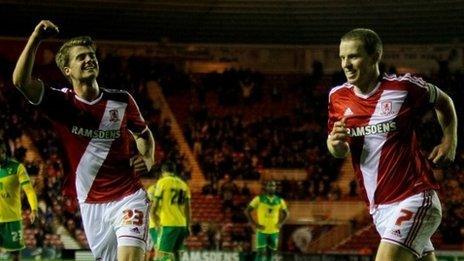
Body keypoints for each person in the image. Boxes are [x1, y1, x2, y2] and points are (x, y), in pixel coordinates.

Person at [12, 20, 155, 260]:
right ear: (67, 70)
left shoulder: (122, 100)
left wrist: (148, 157)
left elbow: (143, 134)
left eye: (91, 55)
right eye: (81, 57)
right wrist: (36, 38)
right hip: (91, 203)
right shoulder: (61, 103)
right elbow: (21, 82)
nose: (89, 59)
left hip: (129, 195)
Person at [327, 28, 457, 261]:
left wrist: (450, 140)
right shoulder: (337, 97)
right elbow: (339, 149)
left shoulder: (403, 88)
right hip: (380, 210)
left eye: (353, 56)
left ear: (375, 56)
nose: (346, 64)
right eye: (342, 57)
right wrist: (334, 144)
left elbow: (443, 101)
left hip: (415, 196)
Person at [0, 141, 38, 261]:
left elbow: (29, 191)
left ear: (4, 152)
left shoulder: (17, 168)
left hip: (12, 219)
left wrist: (34, 209)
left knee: (15, 255)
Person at [151, 162, 191, 261]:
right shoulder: (184, 185)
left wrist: (156, 223)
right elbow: (188, 209)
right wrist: (188, 226)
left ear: (163, 172)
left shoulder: (162, 182)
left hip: (168, 224)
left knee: (162, 255)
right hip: (182, 224)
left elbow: (154, 207)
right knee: (176, 254)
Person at [245, 180, 289, 261]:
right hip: (262, 231)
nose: (271, 187)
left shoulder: (280, 200)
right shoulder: (258, 199)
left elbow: (286, 213)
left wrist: (281, 223)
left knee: (270, 253)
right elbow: (247, 211)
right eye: (269, 186)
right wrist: (254, 224)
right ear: (266, 187)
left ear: (275, 188)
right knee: (260, 252)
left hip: (274, 231)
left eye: (273, 186)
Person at [146, 181, 158, 260]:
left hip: (153, 225)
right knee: (149, 251)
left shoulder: (153, 190)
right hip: (151, 225)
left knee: (151, 251)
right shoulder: (152, 190)